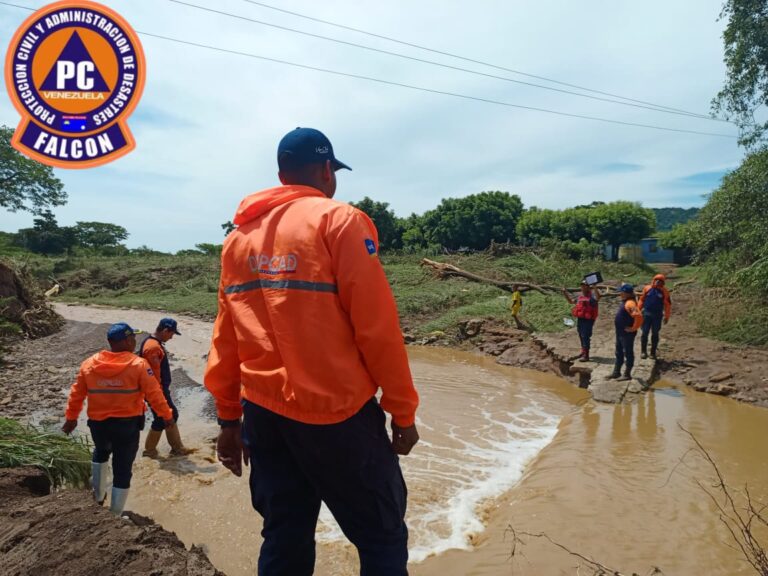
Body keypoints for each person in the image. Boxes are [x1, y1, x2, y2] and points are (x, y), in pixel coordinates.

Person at [204, 127, 420, 576]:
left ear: (282, 174)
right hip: (336, 412)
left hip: (264, 415)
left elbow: (225, 338)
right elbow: (377, 331)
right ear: (327, 170)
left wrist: (229, 420)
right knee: (382, 537)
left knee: (285, 533)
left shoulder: (238, 239)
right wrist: (402, 413)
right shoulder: (339, 221)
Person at [62, 323, 174, 515]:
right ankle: (114, 514)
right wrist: (167, 416)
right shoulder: (138, 365)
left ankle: (98, 497)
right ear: (127, 340)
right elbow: (154, 394)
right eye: (133, 338)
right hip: (127, 425)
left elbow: (76, 394)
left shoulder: (90, 364)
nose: (135, 341)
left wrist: (71, 418)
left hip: (98, 425)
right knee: (122, 468)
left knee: (100, 452)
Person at [140, 317, 193, 457]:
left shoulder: (153, 343)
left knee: (169, 415)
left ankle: (175, 448)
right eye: (171, 333)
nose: (171, 337)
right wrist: (158, 395)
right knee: (164, 417)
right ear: (165, 330)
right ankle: (151, 451)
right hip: (155, 391)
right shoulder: (153, 347)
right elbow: (153, 376)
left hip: (157, 390)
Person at [608, 284, 643, 381]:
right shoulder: (626, 302)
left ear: (626, 293)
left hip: (627, 334)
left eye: (621, 292)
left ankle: (627, 374)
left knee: (628, 352)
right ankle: (616, 372)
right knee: (618, 352)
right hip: (620, 333)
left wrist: (633, 328)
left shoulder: (630, 303)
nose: (620, 293)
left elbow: (639, 316)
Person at [562, 281, 601, 362]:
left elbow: (598, 297)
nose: (582, 287)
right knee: (580, 335)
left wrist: (594, 287)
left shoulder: (592, 297)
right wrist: (564, 293)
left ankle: (586, 355)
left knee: (585, 336)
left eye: (584, 286)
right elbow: (570, 301)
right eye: (582, 286)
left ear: (588, 287)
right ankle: (583, 352)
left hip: (588, 320)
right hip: (581, 319)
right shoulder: (580, 297)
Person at [638, 273, 672, 360]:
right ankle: (643, 352)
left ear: (663, 282)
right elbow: (641, 300)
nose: (658, 282)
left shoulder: (664, 291)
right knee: (644, 333)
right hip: (646, 314)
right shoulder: (647, 288)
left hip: (657, 316)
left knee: (655, 334)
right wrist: (638, 311)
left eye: (660, 281)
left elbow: (667, 305)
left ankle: (653, 353)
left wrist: (667, 316)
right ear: (653, 280)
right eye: (656, 280)